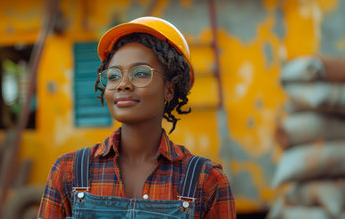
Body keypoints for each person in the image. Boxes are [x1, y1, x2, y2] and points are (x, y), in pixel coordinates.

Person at [37, 16, 235, 218]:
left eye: (140, 73)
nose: (123, 84)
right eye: (113, 75)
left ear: (169, 89)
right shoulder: (68, 172)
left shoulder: (207, 181)